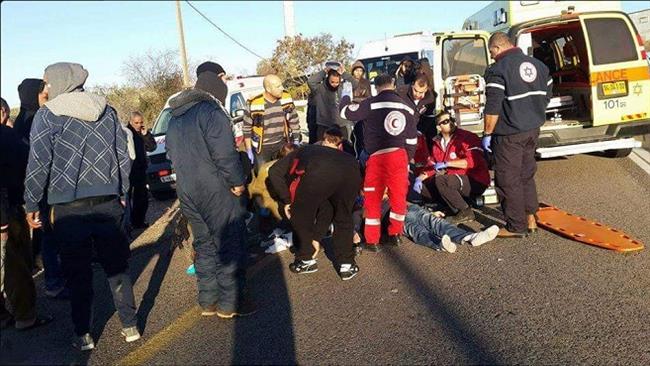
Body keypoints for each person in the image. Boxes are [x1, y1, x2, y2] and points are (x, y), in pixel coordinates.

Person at [23, 62, 139, 350]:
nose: (46, 89)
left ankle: (83, 334)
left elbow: (38, 165)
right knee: (117, 268)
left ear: (61, 81)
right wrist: (123, 192)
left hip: (67, 208)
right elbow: (122, 156)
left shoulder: (47, 116)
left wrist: (31, 203)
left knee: (77, 272)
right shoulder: (107, 110)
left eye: (48, 83)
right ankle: (130, 326)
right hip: (108, 203)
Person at [165, 61, 255, 318]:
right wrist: (237, 182)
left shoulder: (175, 117)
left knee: (204, 244)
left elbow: (174, 156)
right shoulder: (211, 111)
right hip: (215, 189)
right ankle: (230, 303)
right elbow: (225, 155)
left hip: (187, 191)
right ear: (216, 84)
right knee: (229, 242)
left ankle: (208, 301)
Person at [267, 128, 362, 280]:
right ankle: (347, 265)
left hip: (318, 172)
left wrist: (286, 200)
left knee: (302, 214)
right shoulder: (345, 155)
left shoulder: (303, 150)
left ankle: (306, 259)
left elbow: (274, 172)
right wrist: (316, 237)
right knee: (343, 217)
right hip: (350, 171)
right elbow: (327, 209)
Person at [482, 32, 552, 237]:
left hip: (509, 134)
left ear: (496, 48)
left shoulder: (498, 70)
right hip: (532, 129)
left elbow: (492, 107)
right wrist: (532, 111)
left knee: (507, 179)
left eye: (491, 52)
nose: (492, 56)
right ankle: (531, 217)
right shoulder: (539, 66)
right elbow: (547, 95)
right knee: (526, 174)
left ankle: (515, 226)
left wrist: (487, 133)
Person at [339, 74, 416, 252]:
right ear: (393, 85)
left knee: (373, 198)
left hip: (378, 157)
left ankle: (372, 240)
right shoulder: (407, 107)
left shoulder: (371, 103)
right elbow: (412, 140)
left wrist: (345, 93)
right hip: (400, 156)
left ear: (376, 87)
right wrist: (405, 160)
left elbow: (345, 112)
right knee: (398, 197)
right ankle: (394, 234)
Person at [1, 97, 52, 331]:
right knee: (17, 266)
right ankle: (25, 316)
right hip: (9, 211)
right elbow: (30, 165)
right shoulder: (8, 137)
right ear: (2, 112)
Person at [414, 112, 490, 224]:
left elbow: (473, 162)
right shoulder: (437, 143)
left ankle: (465, 211)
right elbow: (432, 166)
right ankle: (446, 207)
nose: (450, 123)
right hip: (453, 179)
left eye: (451, 119)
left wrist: (447, 163)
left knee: (442, 181)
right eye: (445, 121)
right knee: (425, 184)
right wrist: (419, 178)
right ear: (438, 127)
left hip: (474, 179)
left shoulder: (467, 137)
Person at [243, 74, 301, 170]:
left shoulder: (286, 99)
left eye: (281, 85)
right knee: (263, 174)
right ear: (268, 89)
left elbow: (294, 120)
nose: (282, 88)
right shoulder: (254, 104)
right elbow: (246, 129)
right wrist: (249, 149)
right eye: (278, 86)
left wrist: (296, 140)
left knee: (282, 172)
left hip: (281, 144)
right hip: (262, 148)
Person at [404, 203, 499, 253]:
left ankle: (470, 237)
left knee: (435, 221)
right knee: (416, 230)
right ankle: (440, 245)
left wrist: (429, 212)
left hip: (406, 208)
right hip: (392, 217)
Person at [307, 62, 357, 141]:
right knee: (324, 150)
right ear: (327, 79)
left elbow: (355, 84)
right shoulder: (320, 88)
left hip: (341, 124)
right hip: (324, 125)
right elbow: (311, 82)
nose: (335, 84)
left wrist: (344, 73)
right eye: (332, 82)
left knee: (343, 148)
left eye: (337, 82)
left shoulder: (343, 87)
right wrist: (324, 71)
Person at [127, 111, 157, 229]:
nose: (139, 125)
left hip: (140, 169)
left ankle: (138, 221)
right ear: (131, 122)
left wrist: (146, 135)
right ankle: (128, 223)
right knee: (127, 198)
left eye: (141, 122)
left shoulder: (142, 133)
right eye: (136, 123)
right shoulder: (126, 133)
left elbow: (152, 147)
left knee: (142, 197)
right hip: (129, 170)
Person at [349, 60, 372, 159]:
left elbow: (369, 97)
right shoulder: (348, 82)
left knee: (361, 135)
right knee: (351, 137)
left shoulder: (366, 83)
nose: (358, 73)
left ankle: (361, 156)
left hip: (362, 111)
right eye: (356, 70)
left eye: (360, 70)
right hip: (350, 111)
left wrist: (356, 99)